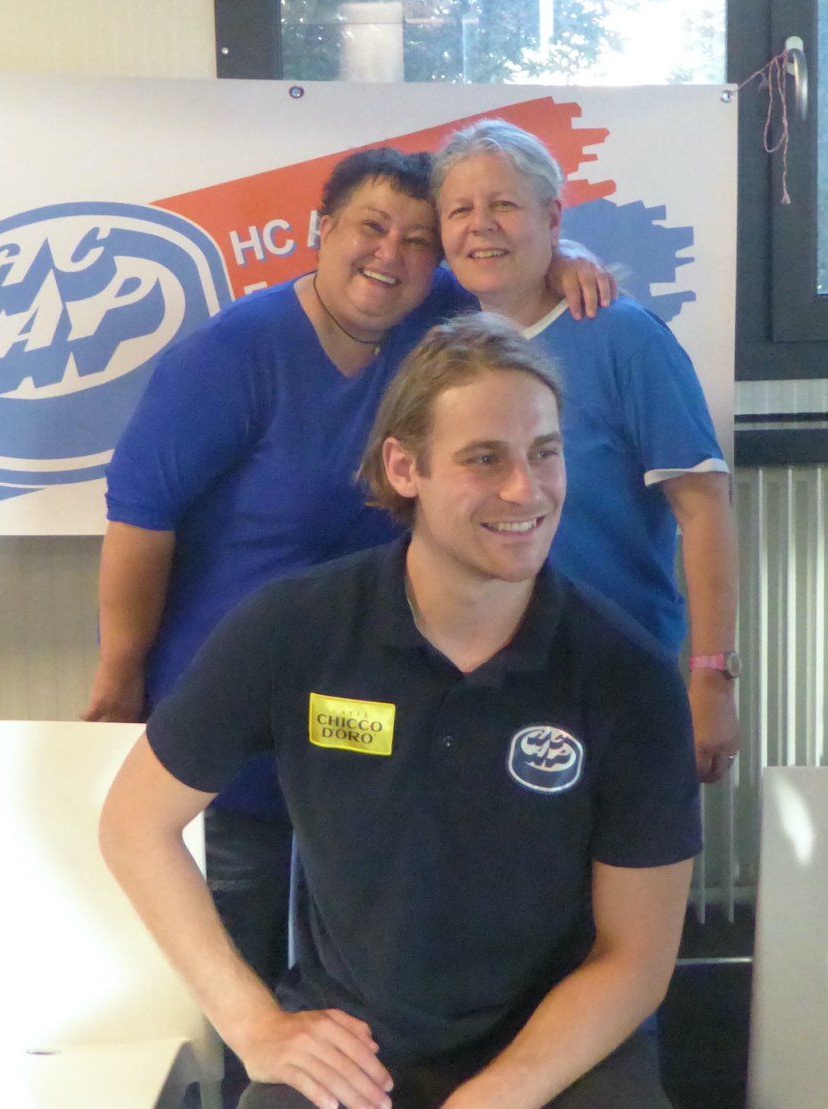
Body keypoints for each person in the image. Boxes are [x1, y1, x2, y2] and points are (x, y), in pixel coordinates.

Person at [99, 313, 700, 1109]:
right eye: (484, 458)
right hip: (355, 1047)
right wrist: (254, 1025)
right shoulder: (295, 628)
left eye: (544, 453)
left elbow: (636, 959)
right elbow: (133, 824)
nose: (526, 490)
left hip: (558, 1052)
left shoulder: (627, 674)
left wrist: (499, 1094)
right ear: (404, 466)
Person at [83, 148, 612, 999]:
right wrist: (120, 675)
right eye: (371, 227)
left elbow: (505, 272)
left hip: (371, 729)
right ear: (322, 229)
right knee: (236, 977)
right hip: (237, 723)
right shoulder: (230, 354)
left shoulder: (436, 321)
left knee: (366, 987)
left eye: (418, 239)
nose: (391, 254)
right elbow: (141, 519)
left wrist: (564, 259)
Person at [432, 120, 740, 784]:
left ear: (552, 218)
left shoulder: (625, 337)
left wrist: (713, 677)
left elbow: (704, 509)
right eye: (460, 210)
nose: (481, 225)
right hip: (481, 689)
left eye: (504, 205)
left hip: (618, 682)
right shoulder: (443, 348)